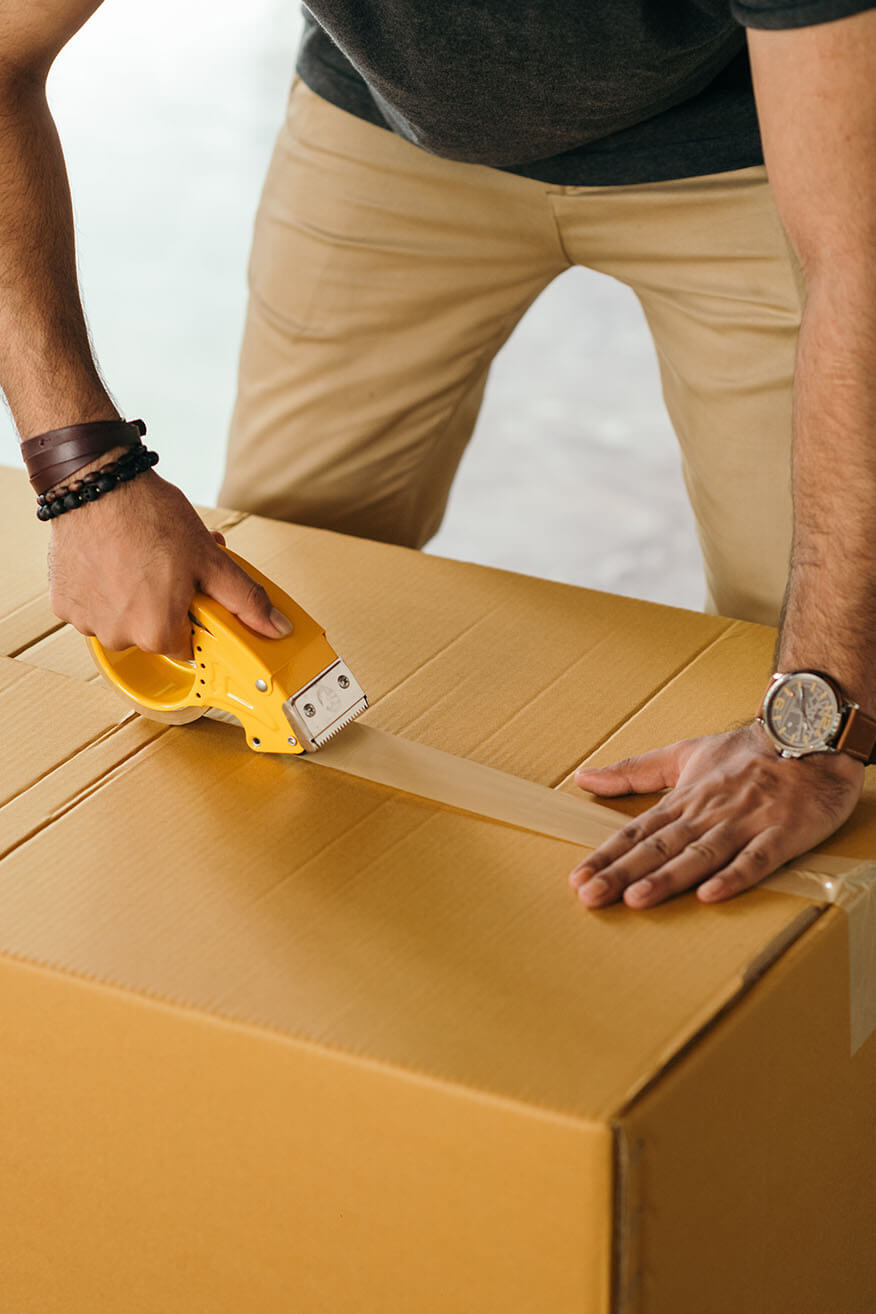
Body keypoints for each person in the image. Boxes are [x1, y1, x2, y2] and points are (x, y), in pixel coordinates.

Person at [2, 1, 874, 910]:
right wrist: (83, 475)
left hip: (751, 146)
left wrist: (812, 732)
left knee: (826, 640)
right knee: (278, 557)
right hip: (388, 131)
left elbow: (859, 259)